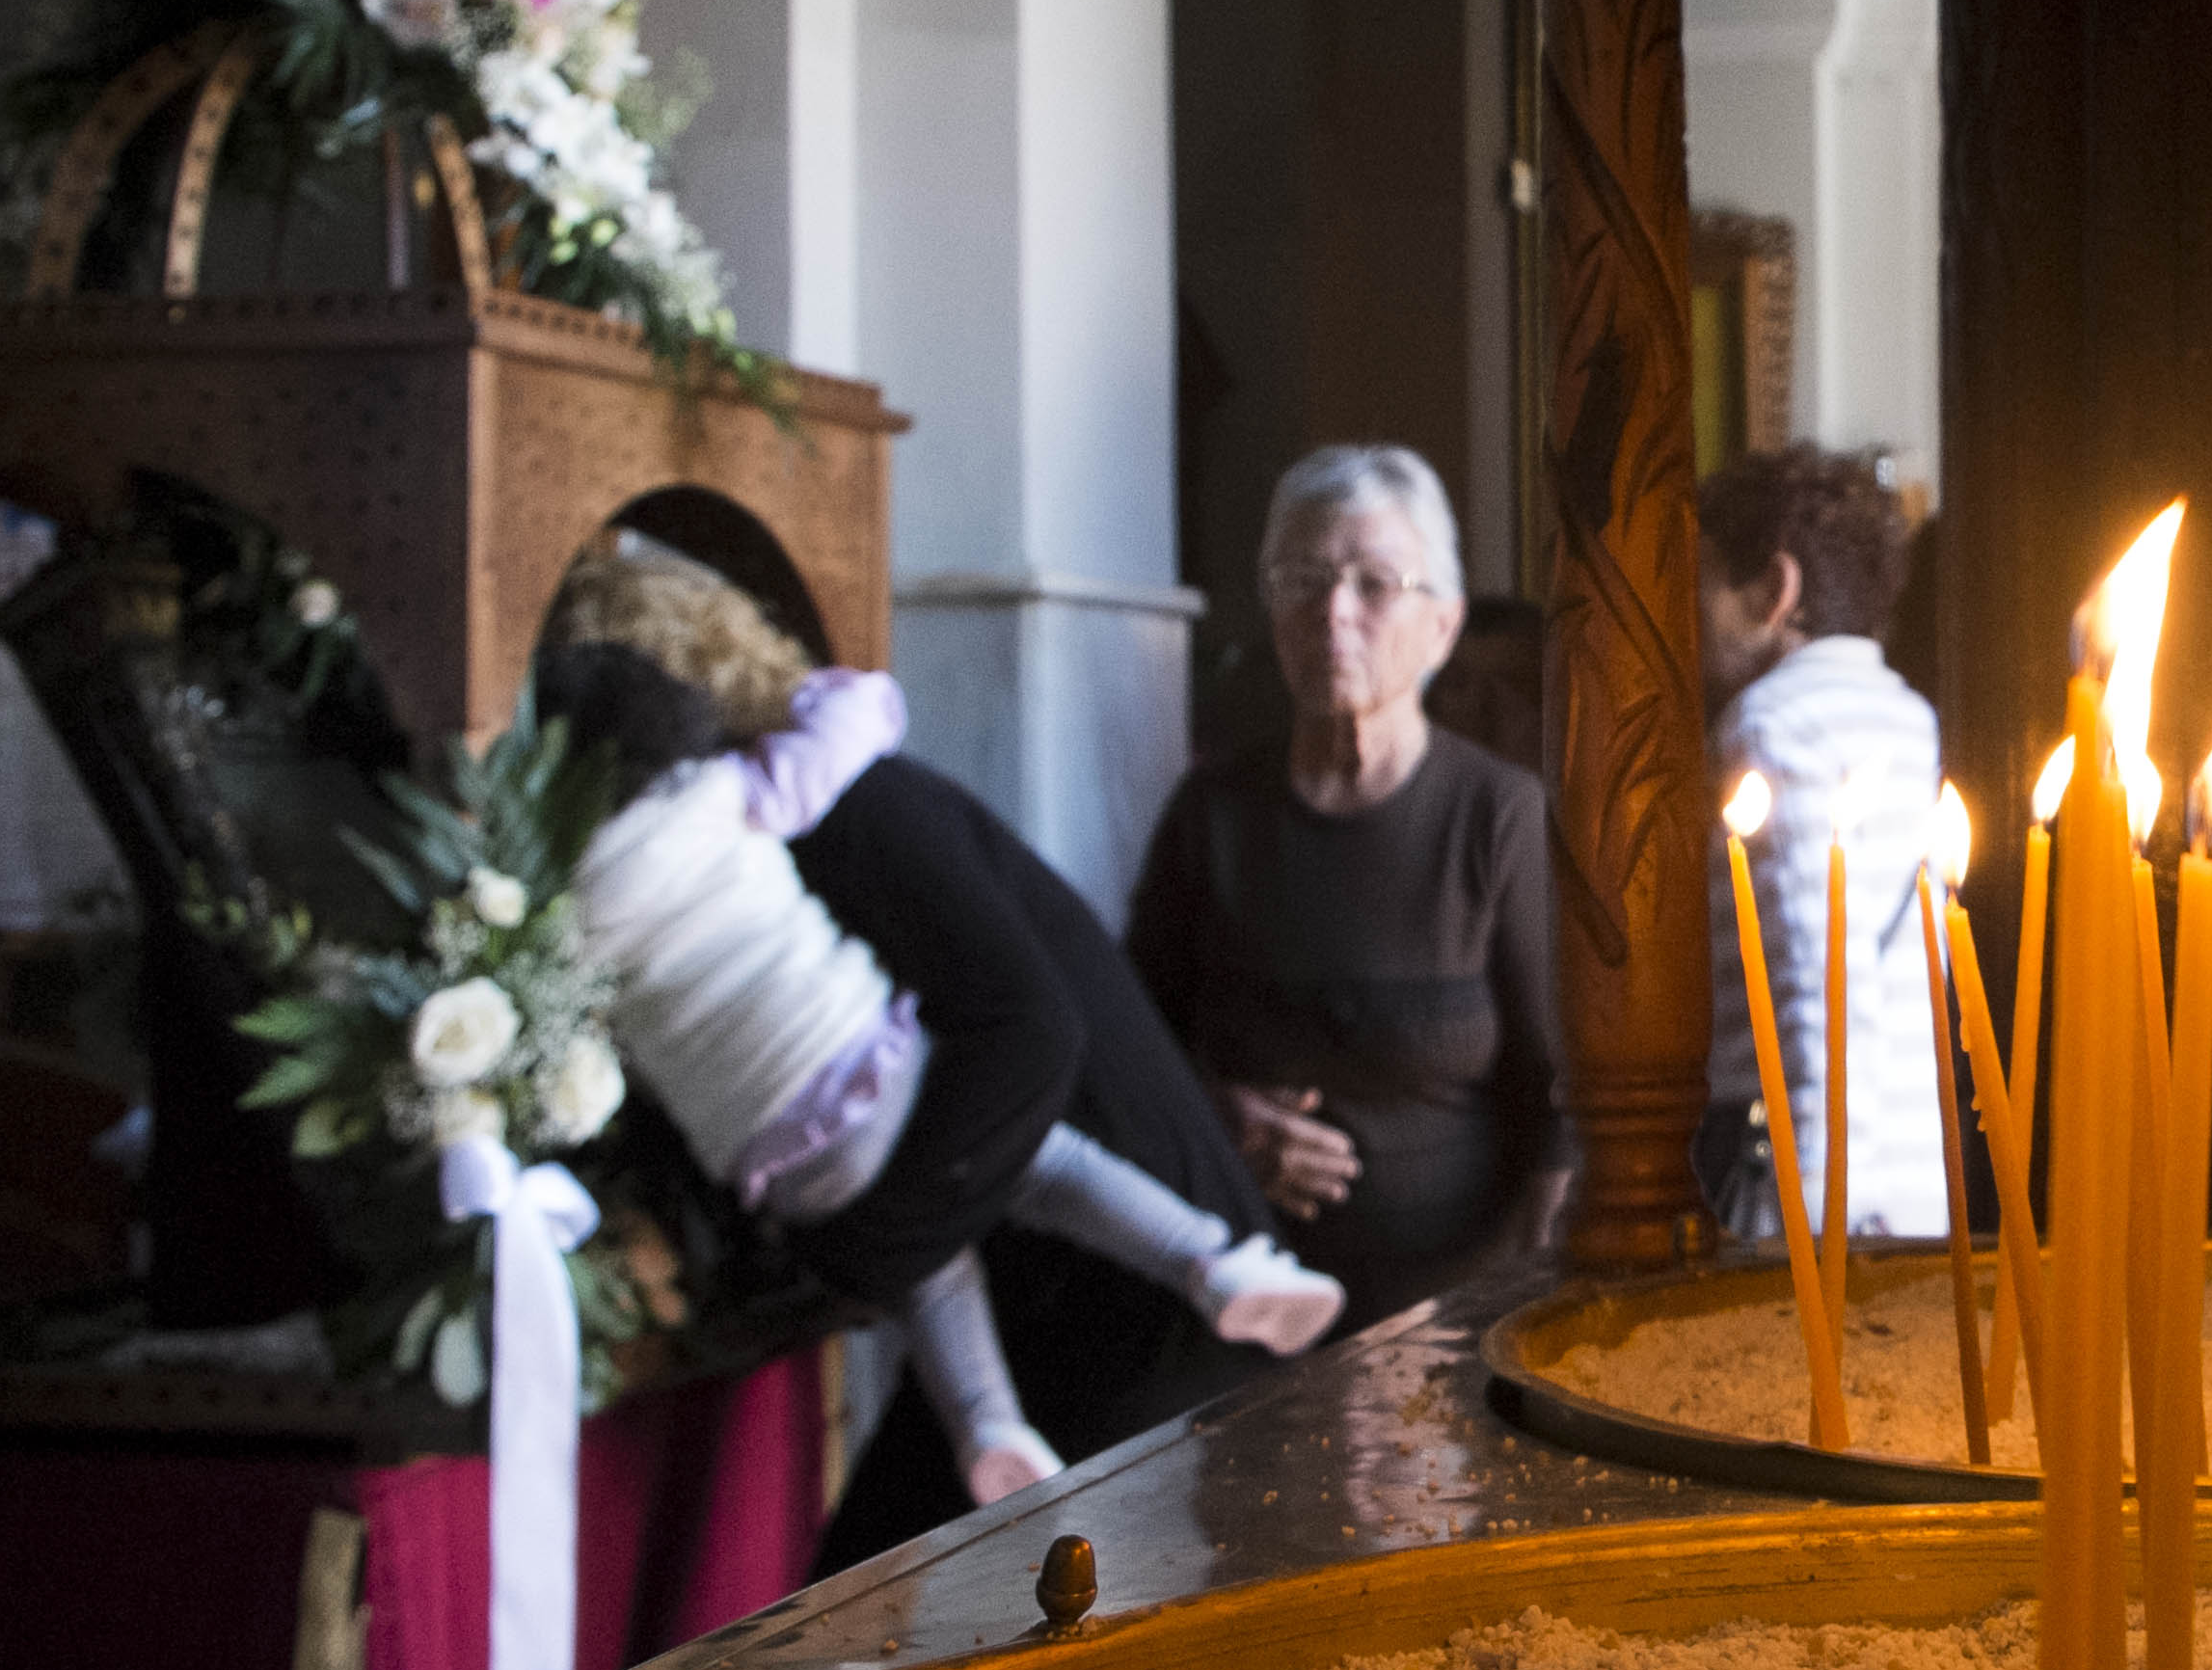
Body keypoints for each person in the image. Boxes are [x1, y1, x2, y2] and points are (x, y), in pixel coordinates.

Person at [538, 623, 1341, 1512]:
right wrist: (823, 693)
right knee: (1053, 1167)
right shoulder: (720, 797)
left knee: (935, 1275)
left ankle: (989, 1427)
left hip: (771, 1155)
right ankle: (1211, 1262)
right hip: (868, 1071)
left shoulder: (567, 907)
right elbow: (858, 720)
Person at [1130, 445, 1568, 1336]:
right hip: (1246, 1304)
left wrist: (1524, 1308)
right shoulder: (1212, 813)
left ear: (1440, 626)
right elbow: (1131, 1047)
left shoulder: (1495, 813)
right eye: (1303, 580)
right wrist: (1221, 1117)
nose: (1333, 611)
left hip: (1453, 1315)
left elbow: (1560, 1090)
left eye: (1374, 583)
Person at [1692, 444, 1945, 1243]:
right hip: (1909, 1177)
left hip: (1812, 1192)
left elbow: (1816, 985)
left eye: (1697, 582)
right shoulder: (1906, 717)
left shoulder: (1774, 725)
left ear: (1773, 591)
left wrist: (1812, 1219)